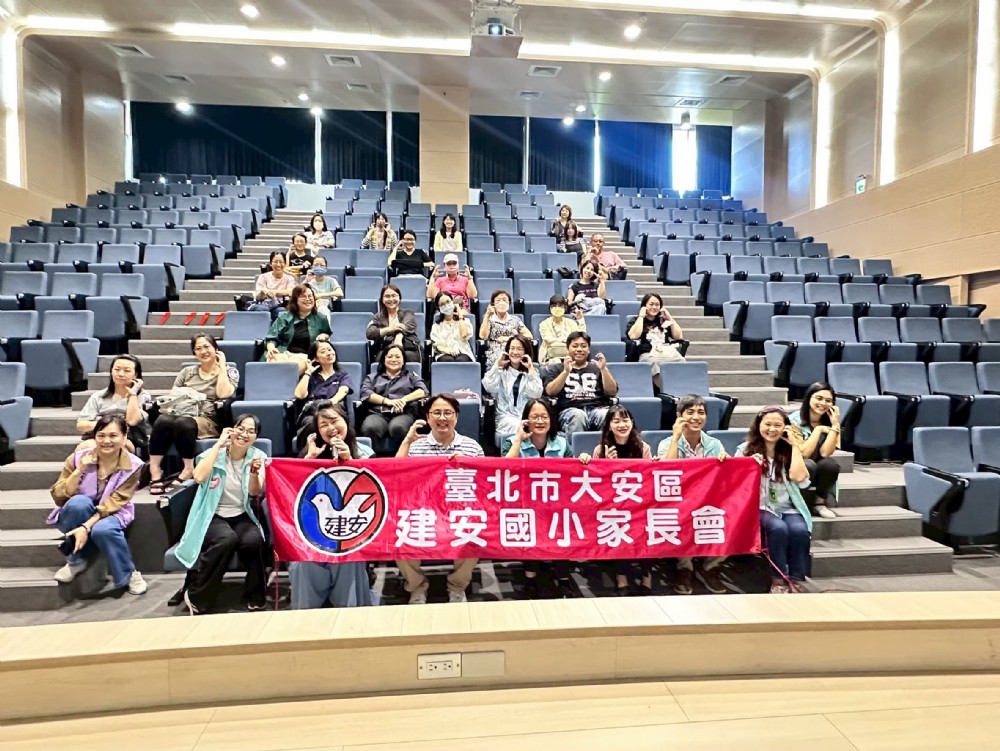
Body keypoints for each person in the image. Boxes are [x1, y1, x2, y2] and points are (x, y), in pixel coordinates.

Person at [174, 414, 268, 614]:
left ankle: (255, 596)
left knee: (254, 541)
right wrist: (218, 445)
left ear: (255, 437)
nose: (244, 434)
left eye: (251, 431)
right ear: (232, 429)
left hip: (241, 513)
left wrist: (253, 473)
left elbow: (255, 492)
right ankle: (197, 595)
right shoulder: (211, 454)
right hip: (212, 515)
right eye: (241, 428)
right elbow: (198, 477)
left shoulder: (258, 456)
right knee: (226, 539)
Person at [396, 394, 484, 604]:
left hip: (459, 510)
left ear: (456, 417)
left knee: (474, 530)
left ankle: (457, 586)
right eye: (437, 413)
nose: (442, 418)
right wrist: (407, 441)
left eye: (448, 413)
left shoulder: (472, 447)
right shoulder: (415, 446)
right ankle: (417, 587)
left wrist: (467, 464)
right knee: (399, 534)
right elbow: (396, 475)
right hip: (423, 510)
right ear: (428, 417)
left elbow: (483, 485)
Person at [48, 413, 147, 595]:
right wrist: (79, 470)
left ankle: (129, 574)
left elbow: (114, 502)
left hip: (113, 511)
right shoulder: (77, 458)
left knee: (104, 529)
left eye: (113, 435)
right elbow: (59, 496)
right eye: (101, 435)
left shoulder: (134, 466)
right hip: (76, 513)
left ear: (124, 437)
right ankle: (76, 561)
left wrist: (85, 527)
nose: (106, 441)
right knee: (78, 503)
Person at [291, 402, 373, 609]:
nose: (331, 428)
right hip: (313, 529)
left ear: (346, 421)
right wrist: (309, 459)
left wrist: (350, 461)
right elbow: (294, 492)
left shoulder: (365, 453)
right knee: (303, 562)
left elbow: (373, 492)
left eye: (334, 421)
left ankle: (350, 613)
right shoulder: (310, 453)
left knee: (349, 559)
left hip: (352, 529)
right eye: (324, 424)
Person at [503, 398, 575, 598]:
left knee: (562, 525)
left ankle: (563, 578)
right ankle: (530, 578)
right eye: (535, 417)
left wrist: (583, 459)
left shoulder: (562, 443)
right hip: (525, 502)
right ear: (526, 420)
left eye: (544, 416)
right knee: (529, 524)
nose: (540, 421)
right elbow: (505, 469)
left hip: (556, 502)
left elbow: (573, 472)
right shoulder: (512, 442)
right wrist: (519, 439)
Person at [148, 334, 238, 494]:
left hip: (207, 418)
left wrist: (222, 366)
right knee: (162, 420)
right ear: (194, 353)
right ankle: (155, 470)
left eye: (207, 347)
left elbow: (223, 394)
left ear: (216, 349)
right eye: (198, 348)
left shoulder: (230, 371)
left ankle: (188, 469)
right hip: (182, 411)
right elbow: (174, 396)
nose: (203, 351)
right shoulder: (187, 372)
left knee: (183, 423)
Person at [657, 395, 728, 596]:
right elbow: (666, 473)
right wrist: (675, 437)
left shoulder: (715, 444)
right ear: (679, 415)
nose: (696, 417)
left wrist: (727, 462)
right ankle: (684, 568)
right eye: (690, 412)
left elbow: (731, 475)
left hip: (709, 500)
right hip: (678, 501)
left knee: (733, 515)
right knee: (682, 516)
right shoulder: (667, 443)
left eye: (701, 413)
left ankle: (710, 567)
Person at [737, 406, 812, 594]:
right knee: (778, 528)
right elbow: (735, 482)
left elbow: (799, 478)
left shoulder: (789, 451)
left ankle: (796, 579)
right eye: (767, 424)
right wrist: (748, 465)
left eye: (778, 425)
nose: (772, 429)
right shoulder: (745, 450)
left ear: (785, 427)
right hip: (758, 507)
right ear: (759, 425)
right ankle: (778, 579)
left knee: (800, 530)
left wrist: (795, 446)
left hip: (787, 507)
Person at [580, 406, 653, 596]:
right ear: (609, 426)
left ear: (632, 423)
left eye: (625, 420)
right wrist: (607, 464)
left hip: (639, 504)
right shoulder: (600, 450)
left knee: (649, 524)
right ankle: (622, 577)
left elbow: (648, 479)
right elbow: (598, 486)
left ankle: (647, 576)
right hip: (612, 506)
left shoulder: (643, 447)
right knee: (619, 523)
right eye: (616, 421)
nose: (622, 425)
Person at [543, 331, 618, 434]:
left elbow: (612, 392)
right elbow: (550, 392)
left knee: (606, 415)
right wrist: (565, 372)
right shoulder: (557, 368)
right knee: (578, 415)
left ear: (588, 349)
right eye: (575, 346)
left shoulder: (597, 368)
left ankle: (606, 445)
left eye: (583, 346)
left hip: (596, 408)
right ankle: (576, 445)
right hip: (569, 410)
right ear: (568, 349)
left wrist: (604, 369)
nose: (579, 349)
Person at [76, 355, 152, 453]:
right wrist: (106, 426)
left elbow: (132, 421)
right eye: (117, 369)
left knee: (118, 446)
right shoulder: (99, 396)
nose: (120, 374)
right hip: (98, 436)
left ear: (136, 375)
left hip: (128, 437)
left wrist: (133, 394)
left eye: (127, 371)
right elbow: (81, 425)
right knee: (85, 447)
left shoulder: (142, 396)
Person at [358, 344, 427, 453]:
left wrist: (403, 400)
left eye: (398, 357)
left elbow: (422, 390)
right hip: (378, 413)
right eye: (390, 357)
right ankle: (374, 459)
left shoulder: (411, 376)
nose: (394, 360)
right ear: (383, 359)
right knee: (370, 427)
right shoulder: (372, 377)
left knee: (398, 427)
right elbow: (365, 392)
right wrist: (387, 401)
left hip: (403, 413)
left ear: (403, 361)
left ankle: (399, 459)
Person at [789, 382, 841, 520]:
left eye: (828, 400)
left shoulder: (832, 421)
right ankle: (796, 503)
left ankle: (819, 503)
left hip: (816, 464)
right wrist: (818, 430)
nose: (823, 403)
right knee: (808, 464)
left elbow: (825, 453)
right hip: (795, 464)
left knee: (830, 465)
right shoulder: (793, 421)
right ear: (809, 398)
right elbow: (803, 454)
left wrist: (834, 425)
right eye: (819, 398)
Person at [483, 334, 542, 442]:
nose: (515, 352)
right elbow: (488, 387)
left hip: (527, 417)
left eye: (520, 349)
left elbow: (536, 394)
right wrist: (496, 365)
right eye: (512, 348)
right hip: (505, 418)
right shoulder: (500, 371)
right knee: (518, 426)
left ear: (526, 352)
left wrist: (530, 370)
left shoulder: (532, 372)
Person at [263, 285, 332, 374]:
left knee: (293, 367)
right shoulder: (284, 317)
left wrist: (324, 336)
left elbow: (327, 334)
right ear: (296, 300)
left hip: (304, 356)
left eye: (310, 296)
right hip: (283, 352)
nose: (308, 299)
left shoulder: (321, 318)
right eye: (303, 296)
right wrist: (271, 348)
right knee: (275, 361)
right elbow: (272, 338)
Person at [628, 293, 686, 390]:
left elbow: (678, 336)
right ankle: (666, 389)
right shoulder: (635, 320)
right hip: (648, 353)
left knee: (681, 360)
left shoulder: (663, 321)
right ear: (644, 306)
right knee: (654, 363)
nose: (654, 307)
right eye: (651, 304)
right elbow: (633, 336)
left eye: (657, 304)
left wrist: (670, 318)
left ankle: (681, 387)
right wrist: (641, 317)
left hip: (666, 352)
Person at [366, 283, 421, 363]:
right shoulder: (378, 317)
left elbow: (408, 326)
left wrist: (399, 336)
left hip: (407, 348)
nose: (391, 299)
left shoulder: (408, 313)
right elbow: (370, 333)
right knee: (381, 357)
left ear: (399, 298)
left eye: (394, 296)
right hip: (385, 349)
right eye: (387, 296)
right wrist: (390, 329)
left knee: (408, 357)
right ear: (382, 300)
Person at [478, 289, 531, 369]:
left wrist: (509, 338)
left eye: (505, 300)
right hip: (496, 350)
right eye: (498, 300)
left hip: (514, 349)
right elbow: (483, 336)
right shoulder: (490, 319)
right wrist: (487, 315)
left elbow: (529, 335)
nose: (502, 303)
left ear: (509, 303)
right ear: (493, 304)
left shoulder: (515, 319)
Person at [293, 340, 353, 407]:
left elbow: (343, 391)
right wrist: (308, 372)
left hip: (334, 409)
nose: (329, 353)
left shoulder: (343, 376)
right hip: (313, 410)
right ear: (316, 358)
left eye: (330, 350)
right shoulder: (310, 376)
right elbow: (299, 395)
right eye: (323, 352)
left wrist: (327, 404)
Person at [538, 294, 586, 364]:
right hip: (551, 357)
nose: (557, 308)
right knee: (556, 362)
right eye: (554, 306)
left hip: (570, 356)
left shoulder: (571, 323)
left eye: (560, 306)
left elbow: (579, 338)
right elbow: (548, 339)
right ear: (550, 308)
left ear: (564, 308)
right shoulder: (544, 324)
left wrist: (580, 320)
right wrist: (565, 341)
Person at [429, 292, 474, 363]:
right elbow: (438, 345)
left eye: (448, 302)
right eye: (442, 304)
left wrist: (460, 314)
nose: (446, 305)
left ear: (452, 302)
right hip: (444, 353)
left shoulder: (464, 321)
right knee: (447, 360)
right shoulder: (436, 326)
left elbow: (464, 335)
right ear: (439, 308)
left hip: (464, 352)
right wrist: (449, 351)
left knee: (461, 360)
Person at [250, 251, 294, 321]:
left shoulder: (289, 278)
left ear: (285, 263)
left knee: (281, 311)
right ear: (270, 263)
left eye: (281, 262)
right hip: (264, 305)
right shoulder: (263, 277)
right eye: (275, 262)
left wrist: (274, 292)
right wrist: (262, 292)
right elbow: (257, 297)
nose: (278, 265)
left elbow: (290, 291)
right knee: (263, 309)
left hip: (280, 306)